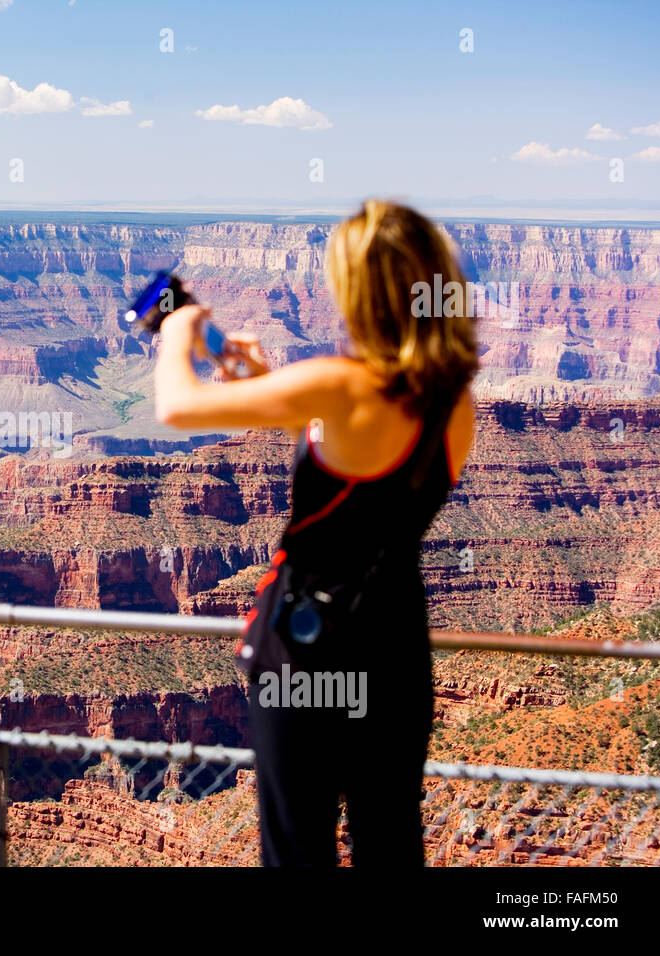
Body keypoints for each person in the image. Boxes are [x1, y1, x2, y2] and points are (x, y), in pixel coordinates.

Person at [154, 200, 478, 866]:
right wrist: (266, 384)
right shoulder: (453, 401)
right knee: (389, 840)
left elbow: (175, 405)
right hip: (393, 650)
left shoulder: (339, 384)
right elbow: (357, 461)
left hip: (306, 656)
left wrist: (179, 330)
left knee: (298, 847)